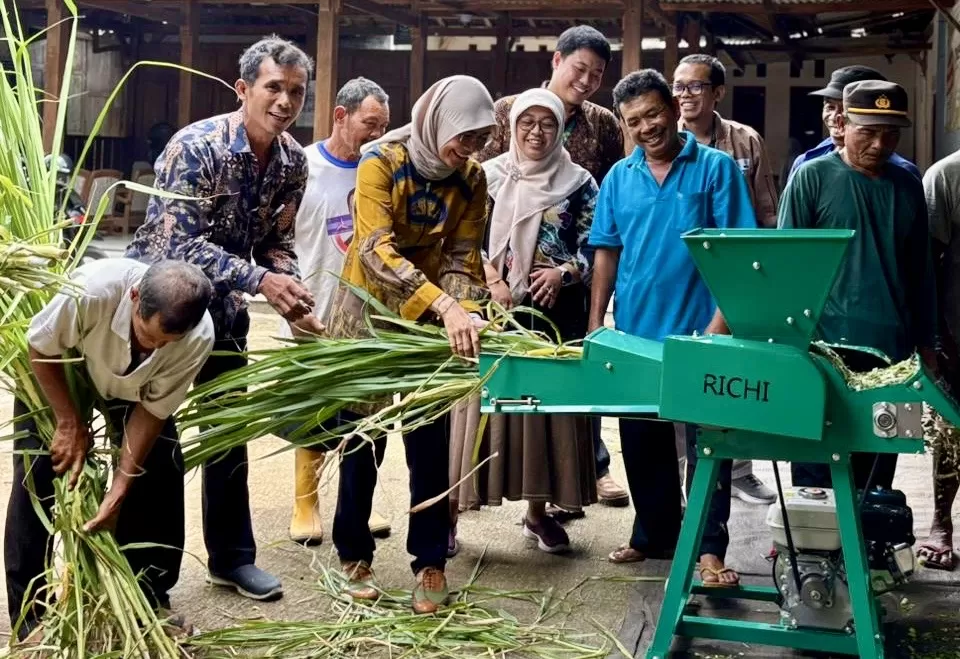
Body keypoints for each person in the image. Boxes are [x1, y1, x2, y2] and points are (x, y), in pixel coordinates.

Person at [125, 36, 323, 602]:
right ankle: (149, 577)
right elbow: (178, 244)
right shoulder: (197, 146)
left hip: (227, 315)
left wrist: (292, 289)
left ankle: (232, 560)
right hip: (164, 313)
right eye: (273, 89)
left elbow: (276, 241)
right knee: (155, 435)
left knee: (225, 432)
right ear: (244, 89)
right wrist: (262, 280)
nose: (285, 102)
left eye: (296, 92)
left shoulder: (291, 161)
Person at [324, 75, 495, 614]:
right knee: (362, 438)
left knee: (430, 440)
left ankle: (430, 559)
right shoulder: (382, 161)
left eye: (479, 139)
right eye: (463, 137)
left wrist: (464, 308)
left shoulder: (472, 180)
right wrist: (445, 305)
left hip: (429, 323)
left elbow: (463, 257)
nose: (469, 150)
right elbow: (374, 250)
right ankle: (354, 553)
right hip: (368, 312)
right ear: (436, 120)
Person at [588, 69, 757, 586]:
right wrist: (597, 323)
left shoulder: (716, 169)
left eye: (654, 114)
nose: (647, 127)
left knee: (710, 443)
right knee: (641, 441)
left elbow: (736, 252)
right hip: (637, 332)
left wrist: (720, 326)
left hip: (703, 332)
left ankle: (709, 549)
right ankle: (654, 535)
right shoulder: (619, 177)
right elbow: (606, 252)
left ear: (673, 109)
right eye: (634, 120)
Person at [5, 259, 214, 641]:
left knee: (161, 467)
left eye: (166, 344)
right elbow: (40, 345)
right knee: (38, 472)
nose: (151, 348)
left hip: (136, 391)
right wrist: (69, 422)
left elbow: (152, 410)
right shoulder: (92, 291)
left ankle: (148, 599)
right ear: (134, 298)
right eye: (146, 336)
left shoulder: (198, 337)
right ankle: (31, 617)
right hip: (67, 367)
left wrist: (119, 488)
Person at [477, 24, 629, 510]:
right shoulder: (505, 112)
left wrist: (568, 270)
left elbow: (605, 207)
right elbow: (474, 197)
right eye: (579, 68)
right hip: (496, 293)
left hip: (563, 291)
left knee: (565, 394)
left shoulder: (603, 124)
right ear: (557, 60)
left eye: (596, 74)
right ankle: (471, 499)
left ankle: (584, 473)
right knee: (491, 396)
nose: (585, 81)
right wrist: (493, 274)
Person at [448, 88, 599, 555]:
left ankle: (536, 514)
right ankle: (449, 516)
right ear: (511, 128)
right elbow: (460, 237)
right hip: (486, 312)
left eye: (547, 124)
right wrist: (491, 277)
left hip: (551, 316)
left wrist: (564, 271)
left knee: (542, 413)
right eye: (527, 123)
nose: (537, 132)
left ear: (560, 129)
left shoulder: (579, 182)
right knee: (476, 409)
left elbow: (596, 245)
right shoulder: (483, 176)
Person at [780, 80, 936, 491]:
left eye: (891, 133)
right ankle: (813, 551)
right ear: (843, 123)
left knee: (880, 461)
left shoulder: (907, 184)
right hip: (824, 348)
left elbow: (920, 271)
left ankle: (869, 549)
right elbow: (788, 267)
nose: (880, 143)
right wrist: (787, 341)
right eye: (868, 131)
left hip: (895, 353)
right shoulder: (811, 177)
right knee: (815, 458)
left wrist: (926, 343)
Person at [282, 76, 393, 546]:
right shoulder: (302, 167)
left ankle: (355, 506)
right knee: (316, 408)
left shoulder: (385, 167)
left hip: (369, 314)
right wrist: (290, 299)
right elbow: (280, 238)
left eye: (384, 126)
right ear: (340, 116)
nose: (377, 134)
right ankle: (305, 501)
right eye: (370, 124)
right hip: (314, 308)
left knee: (367, 414)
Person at [672, 53, 777, 506]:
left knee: (737, 372)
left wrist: (762, 277)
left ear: (717, 92)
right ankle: (686, 474)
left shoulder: (745, 141)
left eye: (695, 87)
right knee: (682, 373)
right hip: (682, 275)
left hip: (734, 276)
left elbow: (767, 212)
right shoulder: (663, 139)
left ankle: (740, 470)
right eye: (678, 87)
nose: (685, 95)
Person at [916, 146, 960, 570]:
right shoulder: (948, 175)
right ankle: (941, 523)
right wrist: (936, 335)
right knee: (950, 433)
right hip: (957, 332)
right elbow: (926, 265)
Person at [786, 65, 921, 185]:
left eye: (844, 109)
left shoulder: (904, 173)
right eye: (830, 107)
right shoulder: (805, 162)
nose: (835, 117)